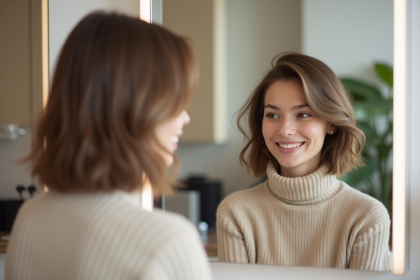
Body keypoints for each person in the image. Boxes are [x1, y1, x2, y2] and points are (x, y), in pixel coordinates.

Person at [5, 11, 212, 280]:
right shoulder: (167, 242)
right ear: (133, 108)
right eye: (174, 102)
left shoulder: (30, 217)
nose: (185, 118)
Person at [216, 52, 391, 271]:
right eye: (272, 115)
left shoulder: (366, 216)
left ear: (331, 124)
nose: (285, 130)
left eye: (304, 114)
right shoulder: (236, 212)